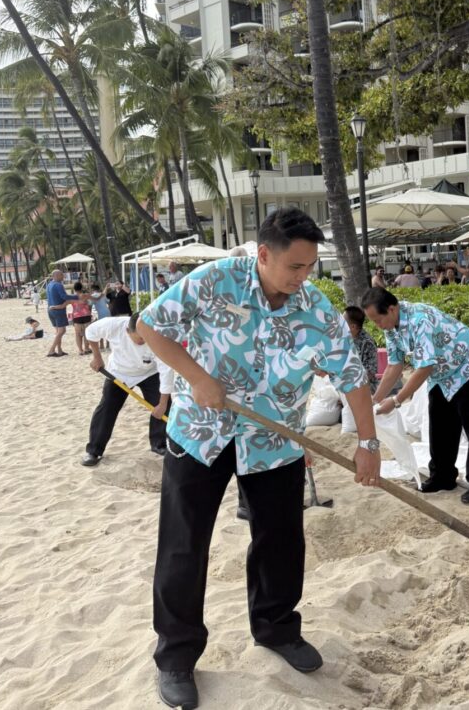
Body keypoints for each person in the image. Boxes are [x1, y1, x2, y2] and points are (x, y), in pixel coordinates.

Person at [136, 208, 381, 710]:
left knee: (281, 539)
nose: (303, 277)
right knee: (184, 546)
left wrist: (369, 443)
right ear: (263, 255)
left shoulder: (315, 309)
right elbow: (150, 325)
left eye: (310, 266)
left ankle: (276, 629)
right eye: (294, 267)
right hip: (201, 433)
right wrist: (198, 377)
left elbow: (352, 377)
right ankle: (177, 656)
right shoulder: (215, 281)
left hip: (275, 441)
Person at [362, 287, 469, 505]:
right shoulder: (390, 327)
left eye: (378, 320)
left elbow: (424, 367)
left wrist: (396, 401)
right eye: (373, 321)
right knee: (441, 424)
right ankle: (443, 476)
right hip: (442, 373)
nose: (377, 325)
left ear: (391, 309)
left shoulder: (418, 319)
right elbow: (394, 366)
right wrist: (375, 400)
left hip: (466, 365)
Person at [81, 313, 173, 466]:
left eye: (145, 338)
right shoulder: (114, 325)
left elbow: (166, 372)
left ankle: (159, 444)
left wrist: (162, 404)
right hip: (119, 373)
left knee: (164, 405)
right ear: (128, 331)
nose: (143, 341)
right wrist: (97, 356)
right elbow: (90, 332)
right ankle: (94, 451)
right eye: (140, 339)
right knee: (107, 408)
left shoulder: (157, 338)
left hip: (149, 373)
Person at [344, 306, 379, 393]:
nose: (340, 324)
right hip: (348, 382)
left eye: (343, 322)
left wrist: (351, 385)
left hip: (365, 386)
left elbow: (371, 372)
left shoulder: (367, 343)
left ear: (352, 327)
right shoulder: (346, 338)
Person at [45, 269, 77, 357]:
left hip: (50, 309)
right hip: (58, 310)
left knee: (58, 331)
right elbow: (64, 296)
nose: (63, 276)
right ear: (56, 276)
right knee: (62, 331)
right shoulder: (58, 285)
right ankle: (51, 350)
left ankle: (59, 350)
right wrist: (76, 296)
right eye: (61, 275)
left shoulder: (49, 285)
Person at [70, 282, 94, 355]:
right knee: (86, 333)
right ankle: (86, 348)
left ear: (74, 289)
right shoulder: (85, 295)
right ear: (81, 288)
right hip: (86, 315)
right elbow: (94, 298)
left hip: (76, 316)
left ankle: (80, 350)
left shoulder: (71, 297)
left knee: (78, 334)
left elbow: (64, 303)